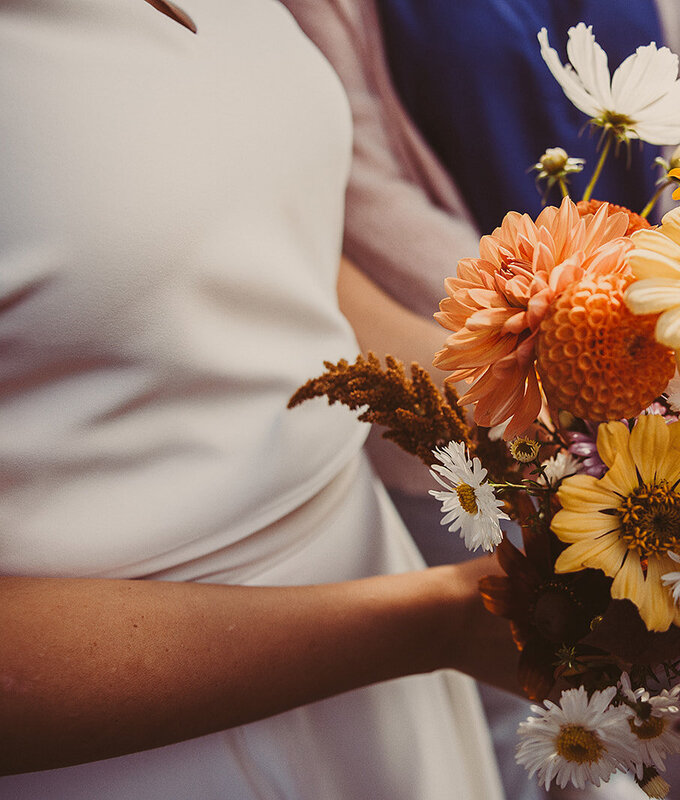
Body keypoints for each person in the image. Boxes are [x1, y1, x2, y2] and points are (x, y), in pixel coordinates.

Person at [0, 0, 514, 797]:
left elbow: (262, 263)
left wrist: (540, 397)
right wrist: (429, 621)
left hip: (382, 613)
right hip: (156, 743)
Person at [278, 3, 680, 797]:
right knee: (528, 712)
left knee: (677, 689)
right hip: (479, 397)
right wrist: (559, 330)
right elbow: (358, 188)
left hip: (674, 371)